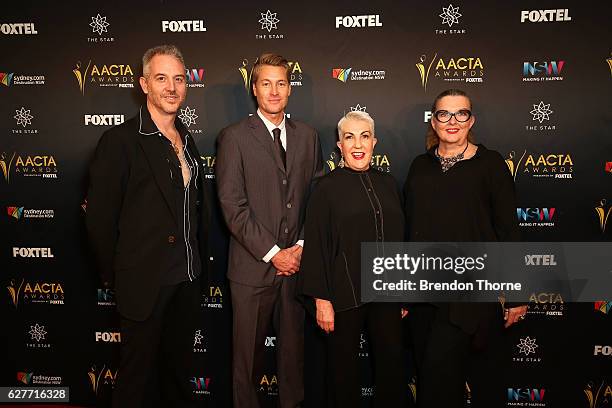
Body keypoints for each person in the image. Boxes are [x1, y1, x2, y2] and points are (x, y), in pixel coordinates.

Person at [86, 45, 210, 407]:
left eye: (178, 79)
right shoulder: (121, 141)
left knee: (178, 378)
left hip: (186, 281)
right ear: (144, 84)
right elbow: (99, 220)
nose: (171, 87)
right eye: (161, 78)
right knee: (135, 381)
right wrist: (121, 275)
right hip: (144, 285)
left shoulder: (187, 142)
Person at [403, 88, 527, 407]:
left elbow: (508, 230)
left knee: (440, 377)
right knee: (435, 380)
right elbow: (409, 230)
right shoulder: (420, 166)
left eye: (461, 114)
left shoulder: (491, 164)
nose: (452, 121)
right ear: (434, 121)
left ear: (471, 121)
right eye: (444, 114)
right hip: (422, 295)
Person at [216, 53, 323, 408]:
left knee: (293, 361)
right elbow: (233, 206)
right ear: (254, 89)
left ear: (290, 89)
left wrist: (301, 247)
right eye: (266, 83)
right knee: (246, 364)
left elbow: (316, 199)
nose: (274, 91)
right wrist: (276, 254)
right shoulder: (233, 137)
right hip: (251, 270)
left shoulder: (308, 136)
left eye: (281, 83)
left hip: (297, 270)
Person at [298, 111, 408, 407]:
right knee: (342, 374)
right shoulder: (326, 188)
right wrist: (321, 299)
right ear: (339, 145)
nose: (357, 144)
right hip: (343, 294)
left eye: (364, 136)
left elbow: (401, 239)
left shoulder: (389, 184)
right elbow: (317, 244)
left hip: (387, 294)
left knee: (391, 369)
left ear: (374, 142)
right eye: (349, 137)